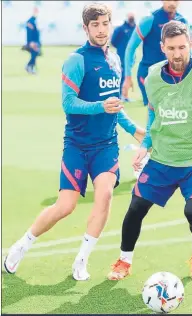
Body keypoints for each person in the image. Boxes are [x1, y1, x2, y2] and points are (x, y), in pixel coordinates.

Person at [4, 3, 145, 282]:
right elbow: (68, 103)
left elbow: (114, 106)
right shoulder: (76, 60)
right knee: (65, 206)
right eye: (95, 25)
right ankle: (23, 244)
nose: (102, 30)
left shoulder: (115, 59)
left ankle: (82, 259)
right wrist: (100, 106)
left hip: (106, 145)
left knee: (104, 194)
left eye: (105, 23)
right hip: (77, 146)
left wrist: (134, 130)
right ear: (86, 28)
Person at [108, 20, 192, 281]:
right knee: (135, 208)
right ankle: (124, 260)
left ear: (190, 44)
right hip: (163, 158)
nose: (177, 54)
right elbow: (154, 112)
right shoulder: (152, 76)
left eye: (182, 47)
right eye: (171, 48)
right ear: (162, 47)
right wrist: (146, 144)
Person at [122, 0, 188, 106]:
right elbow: (130, 48)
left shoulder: (182, 21)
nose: (172, 2)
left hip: (172, 75)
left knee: (175, 111)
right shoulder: (150, 20)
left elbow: (188, 51)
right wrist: (128, 77)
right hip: (149, 74)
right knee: (157, 110)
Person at [111, 12, 136, 99]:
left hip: (132, 56)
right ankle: (120, 95)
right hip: (121, 56)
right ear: (127, 17)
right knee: (121, 74)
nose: (131, 17)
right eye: (130, 16)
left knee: (127, 75)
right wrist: (121, 48)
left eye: (132, 16)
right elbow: (113, 41)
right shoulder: (121, 28)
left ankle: (125, 95)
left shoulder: (135, 28)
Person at [24, 7, 41, 74]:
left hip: (36, 41)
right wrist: (31, 42)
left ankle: (31, 67)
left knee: (35, 54)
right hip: (33, 42)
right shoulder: (30, 21)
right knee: (34, 54)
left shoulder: (35, 20)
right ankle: (29, 66)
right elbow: (29, 33)